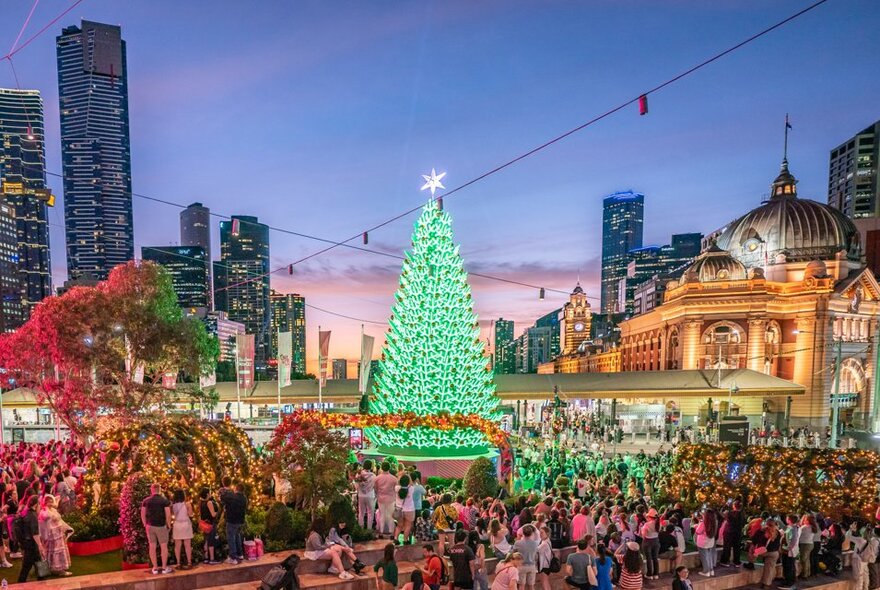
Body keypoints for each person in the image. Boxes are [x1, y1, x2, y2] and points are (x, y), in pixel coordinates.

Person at [141, 482, 173, 575]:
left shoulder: (146, 501)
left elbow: (142, 513)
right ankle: (163, 568)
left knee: (152, 546)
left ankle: (154, 568)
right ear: (160, 490)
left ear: (152, 490)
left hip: (150, 526)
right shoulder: (164, 500)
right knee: (164, 547)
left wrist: (144, 524)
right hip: (161, 526)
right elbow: (168, 515)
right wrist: (169, 526)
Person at [38, 494, 73, 576]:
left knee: (59, 551)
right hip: (51, 536)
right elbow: (44, 518)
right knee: (53, 552)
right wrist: (45, 509)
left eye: (51, 501)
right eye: (48, 502)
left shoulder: (53, 510)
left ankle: (60, 569)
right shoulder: (43, 512)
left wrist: (65, 529)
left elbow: (59, 520)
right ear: (45, 502)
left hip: (58, 534)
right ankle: (55, 569)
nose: (50, 503)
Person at [16, 495, 46, 583]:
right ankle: (20, 584)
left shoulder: (26, 512)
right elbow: (35, 533)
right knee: (26, 567)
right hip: (31, 545)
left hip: (27, 543)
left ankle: (42, 581)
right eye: (39, 504)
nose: (40, 507)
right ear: (36, 504)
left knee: (38, 564)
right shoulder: (33, 516)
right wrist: (40, 546)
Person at [222, 482, 248, 564]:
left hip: (232, 521)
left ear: (236, 489)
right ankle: (240, 554)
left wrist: (225, 491)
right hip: (240, 521)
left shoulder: (233, 496)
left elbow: (223, 498)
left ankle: (233, 558)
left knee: (231, 538)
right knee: (237, 536)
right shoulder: (244, 498)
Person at [171, 489, 195, 570]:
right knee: (187, 545)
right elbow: (191, 514)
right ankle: (189, 562)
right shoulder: (187, 504)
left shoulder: (173, 505)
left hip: (177, 524)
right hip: (186, 524)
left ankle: (178, 563)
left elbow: (173, 515)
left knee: (177, 546)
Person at [376, 462, 398, 538]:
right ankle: (391, 532)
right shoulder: (394, 478)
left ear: (382, 468)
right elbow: (396, 489)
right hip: (391, 499)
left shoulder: (377, 478)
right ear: (389, 468)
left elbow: (375, 488)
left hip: (381, 498)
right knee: (390, 516)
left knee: (382, 515)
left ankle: (381, 532)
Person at [199, 487, 220, 565]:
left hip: (204, 524)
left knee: (206, 540)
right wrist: (218, 510)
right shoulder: (209, 502)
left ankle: (206, 558)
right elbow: (213, 514)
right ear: (207, 494)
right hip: (210, 524)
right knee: (211, 540)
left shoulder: (201, 502)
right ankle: (212, 559)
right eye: (210, 492)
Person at [394, 474, 416, 545]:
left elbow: (397, 482)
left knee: (399, 525)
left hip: (399, 509)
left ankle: (396, 538)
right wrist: (409, 476)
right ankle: (405, 540)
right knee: (408, 525)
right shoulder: (411, 488)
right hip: (409, 510)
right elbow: (411, 483)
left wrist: (400, 477)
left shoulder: (397, 488)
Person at [780, 514, 800, 590]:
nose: (786, 519)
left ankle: (789, 582)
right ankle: (788, 580)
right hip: (787, 550)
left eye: (787, 518)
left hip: (789, 551)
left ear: (790, 520)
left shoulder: (793, 529)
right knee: (787, 565)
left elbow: (793, 540)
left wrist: (788, 548)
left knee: (789, 566)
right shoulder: (790, 527)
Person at [695, 509, 717, 577]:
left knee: (704, 557)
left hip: (702, 542)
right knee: (709, 556)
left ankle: (706, 571)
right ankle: (711, 570)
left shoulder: (703, 523)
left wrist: (698, 524)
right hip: (710, 542)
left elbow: (698, 532)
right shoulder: (714, 522)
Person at [356, 460, 377, 531]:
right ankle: (369, 530)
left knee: (361, 512)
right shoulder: (374, 476)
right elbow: (375, 486)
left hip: (361, 495)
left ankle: (360, 529)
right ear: (371, 466)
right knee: (370, 513)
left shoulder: (359, 475)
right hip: (370, 495)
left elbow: (357, 486)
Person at [761, 520, 782, 589]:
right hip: (774, 552)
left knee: (768, 569)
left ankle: (766, 584)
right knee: (769, 569)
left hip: (765, 551)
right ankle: (766, 583)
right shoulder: (778, 532)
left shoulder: (764, 531)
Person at [641, 507, 661, 580]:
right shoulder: (659, 523)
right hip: (656, 541)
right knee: (655, 558)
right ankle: (656, 574)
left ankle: (649, 574)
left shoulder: (646, 525)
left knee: (649, 559)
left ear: (649, 517)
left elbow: (643, 535)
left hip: (647, 542)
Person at [798, 514, 817, 579]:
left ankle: (804, 574)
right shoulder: (813, 527)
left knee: (803, 560)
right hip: (810, 544)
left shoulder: (804, 527)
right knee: (807, 559)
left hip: (804, 544)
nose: (803, 520)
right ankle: (807, 572)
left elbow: (798, 536)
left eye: (805, 519)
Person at [536, 526, 554, 590]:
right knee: (545, 582)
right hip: (546, 565)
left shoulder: (544, 544)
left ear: (547, 533)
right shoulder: (547, 541)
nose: (540, 534)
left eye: (542, 533)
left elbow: (536, 550)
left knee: (544, 583)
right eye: (540, 533)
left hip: (544, 566)